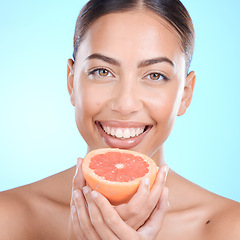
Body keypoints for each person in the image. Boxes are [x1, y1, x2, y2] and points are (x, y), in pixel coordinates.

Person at [0, 0, 239, 239]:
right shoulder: (8, 218)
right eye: (102, 71)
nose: (125, 105)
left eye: (155, 75)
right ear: (71, 82)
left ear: (185, 94)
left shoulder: (228, 227)